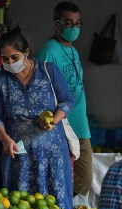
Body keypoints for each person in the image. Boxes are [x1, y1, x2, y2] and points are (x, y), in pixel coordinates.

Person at [0, 28, 75, 209]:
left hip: (52, 153)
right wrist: (5, 139)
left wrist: (54, 120)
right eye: (4, 59)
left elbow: (67, 101)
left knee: (55, 207)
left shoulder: (48, 70)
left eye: (14, 57)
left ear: (26, 52)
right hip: (19, 154)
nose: (9, 62)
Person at [37, 1, 92, 197]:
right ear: (56, 24)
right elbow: (40, 89)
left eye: (77, 23)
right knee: (62, 180)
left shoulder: (73, 50)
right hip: (60, 123)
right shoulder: (49, 50)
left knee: (84, 180)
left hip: (80, 123)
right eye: (68, 23)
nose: (74, 28)